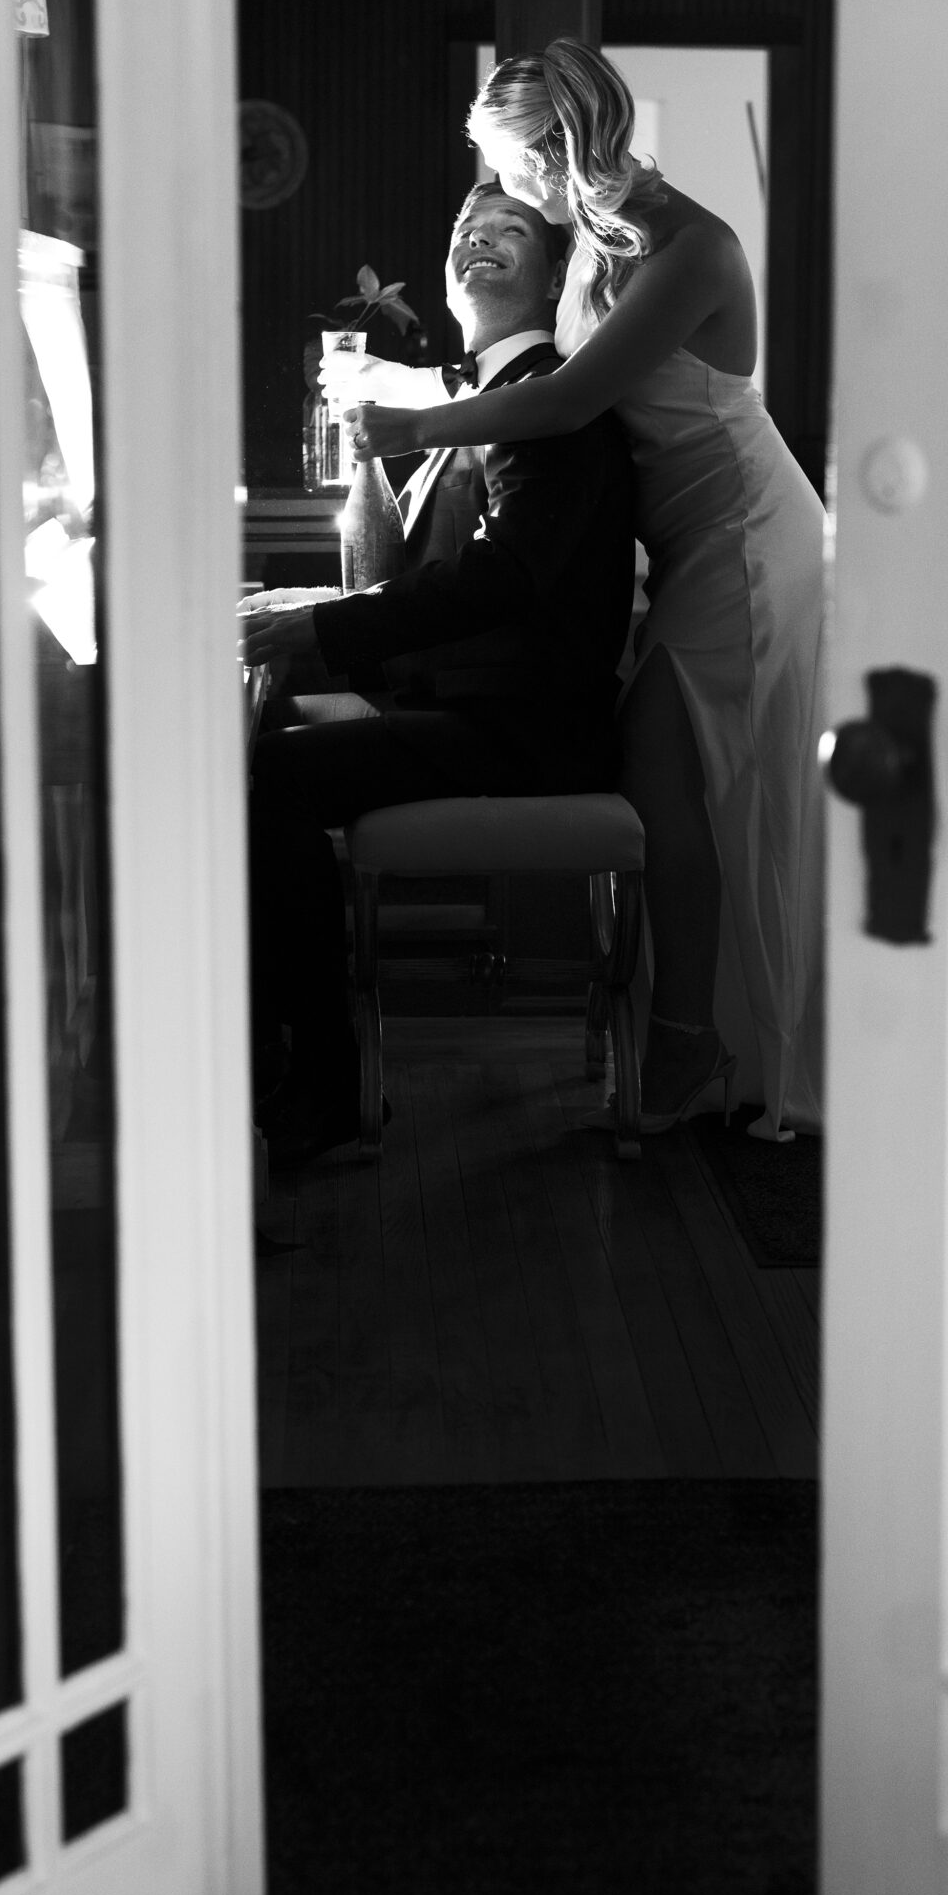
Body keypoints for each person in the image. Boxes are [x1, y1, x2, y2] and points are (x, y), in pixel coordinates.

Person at [338, 39, 825, 1141]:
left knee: (666, 772)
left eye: (513, 167)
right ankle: (702, 1036)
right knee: (683, 781)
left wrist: (419, 423)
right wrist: (422, 391)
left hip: (745, 530)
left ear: (557, 151)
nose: (506, 192)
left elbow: (566, 404)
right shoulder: (599, 240)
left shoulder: (694, 247)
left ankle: (694, 1042)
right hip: (687, 538)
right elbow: (532, 385)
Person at [241, 182, 637, 1164]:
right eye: (465, 229)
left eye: (509, 230)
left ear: (555, 275)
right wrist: (310, 619)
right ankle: (270, 1061)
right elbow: (424, 574)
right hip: (485, 708)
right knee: (272, 740)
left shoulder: (554, 394)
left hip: (530, 730)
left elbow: (501, 582)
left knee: (272, 778)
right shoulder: (492, 397)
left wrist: (321, 633)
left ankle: (320, 1086)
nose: (478, 239)